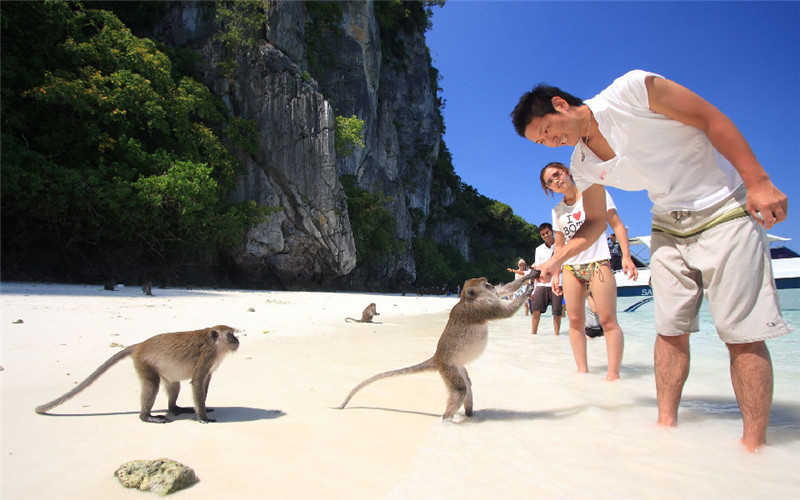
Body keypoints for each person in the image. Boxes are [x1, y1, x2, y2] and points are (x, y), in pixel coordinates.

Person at [511, 69, 791, 452]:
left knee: (741, 335)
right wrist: (556, 260)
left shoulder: (630, 90)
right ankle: (664, 433)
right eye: (539, 142)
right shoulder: (582, 165)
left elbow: (710, 118)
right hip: (667, 222)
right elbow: (593, 223)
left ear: (560, 105)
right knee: (669, 330)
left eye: (545, 130)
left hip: (724, 205)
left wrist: (758, 181)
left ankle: (754, 449)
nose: (548, 143)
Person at [541, 162, 637, 380]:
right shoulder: (557, 211)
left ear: (567, 171)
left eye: (557, 174)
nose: (556, 181)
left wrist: (627, 257)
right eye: (550, 182)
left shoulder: (594, 194)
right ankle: (582, 371)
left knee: (607, 320)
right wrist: (556, 273)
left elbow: (617, 225)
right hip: (570, 268)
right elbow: (559, 244)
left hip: (598, 263)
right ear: (550, 189)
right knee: (575, 321)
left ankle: (613, 374)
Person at [530, 223, 563, 335]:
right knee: (536, 309)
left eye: (547, 233)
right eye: (542, 234)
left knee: (557, 312)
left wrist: (549, 269)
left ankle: (556, 336)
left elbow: (563, 264)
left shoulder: (561, 245)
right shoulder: (539, 249)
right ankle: (533, 334)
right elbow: (538, 267)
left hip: (557, 282)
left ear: (552, 231)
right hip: (542, 284)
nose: (545, 235)